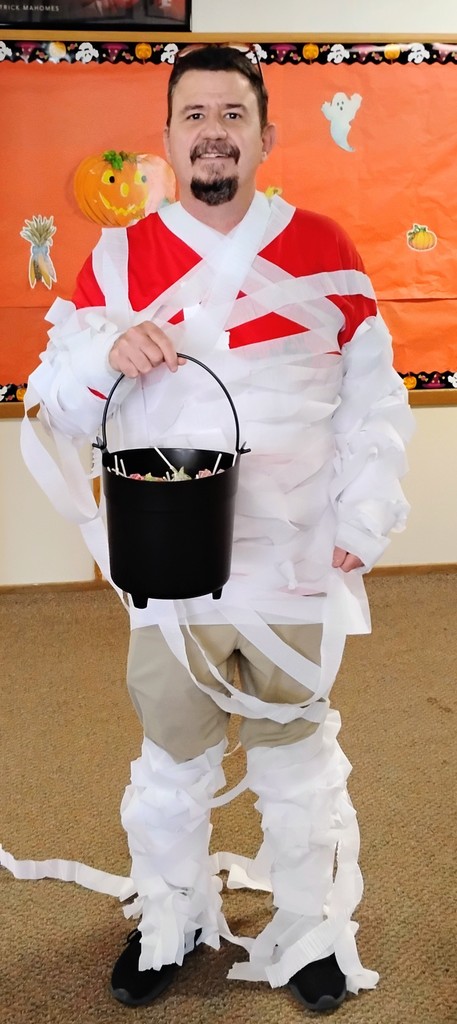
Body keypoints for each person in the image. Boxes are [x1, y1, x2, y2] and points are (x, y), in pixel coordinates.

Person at [19, 44, 414, 1014]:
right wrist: (108, 351)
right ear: (165, 139)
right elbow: (55, 402)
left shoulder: (327, 247)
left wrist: (363, 518)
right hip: (174, 560)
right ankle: (167, 921)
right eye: (193, 116)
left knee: (298, 755)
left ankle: (314, 928)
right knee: (173, 758)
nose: (212, 132)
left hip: (292, 561)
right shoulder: (116, 257)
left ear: (266, 135)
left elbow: (373, 404)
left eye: (231, 115)